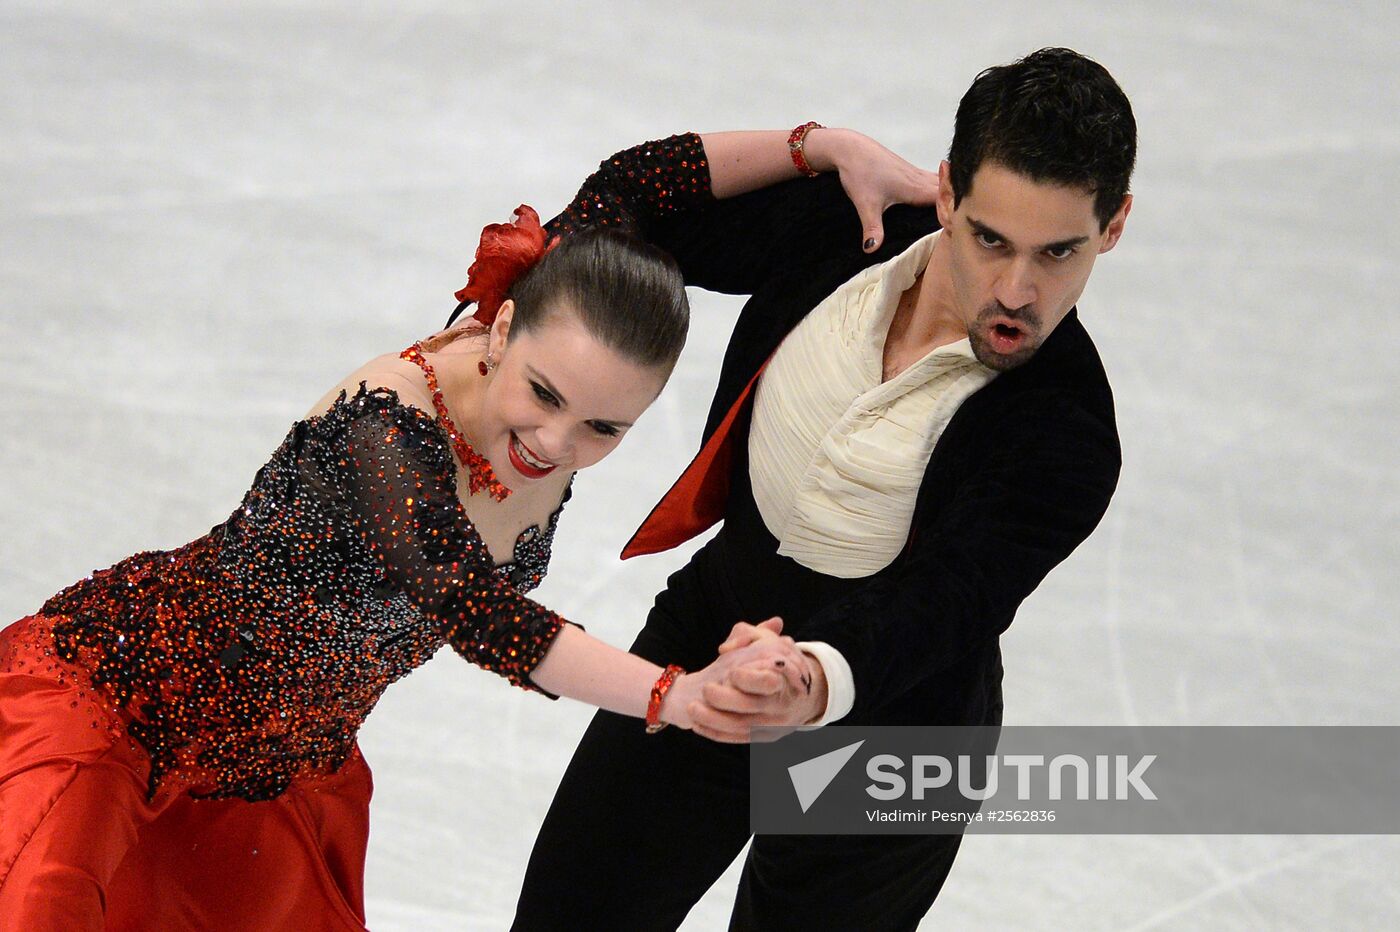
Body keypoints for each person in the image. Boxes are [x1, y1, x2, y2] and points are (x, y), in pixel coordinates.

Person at [0, 219, 809, 930]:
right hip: (116, 710)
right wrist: (678, 694)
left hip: (278, 774)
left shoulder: (552, 386)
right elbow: (475, 610)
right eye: (544, 393)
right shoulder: (384, 428)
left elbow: (648, 177)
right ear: (504, 331)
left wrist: (823, 149)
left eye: (604, 427)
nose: (556, 444)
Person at [512, 47, 1136, 930]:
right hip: (713, 630)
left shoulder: (1066, 430)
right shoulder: (850, 227)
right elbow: (625, 203)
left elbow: (946, 601)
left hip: (899, 726)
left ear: (1113, 227)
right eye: (990, 238)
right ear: (948, 195)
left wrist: (806, 678)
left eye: (1059, 251)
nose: (1017, 289)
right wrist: (813, 146)